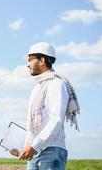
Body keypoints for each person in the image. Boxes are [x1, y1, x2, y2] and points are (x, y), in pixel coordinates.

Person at [10, 42, 80, 170]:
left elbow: (56, 120)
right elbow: (33, 126)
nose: (28, 64)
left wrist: (33, 146)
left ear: (42, 60)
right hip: (36, 151)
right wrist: (23, 148)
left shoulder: (56, 84)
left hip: (51, 151)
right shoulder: (37, 88)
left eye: (30, 59)